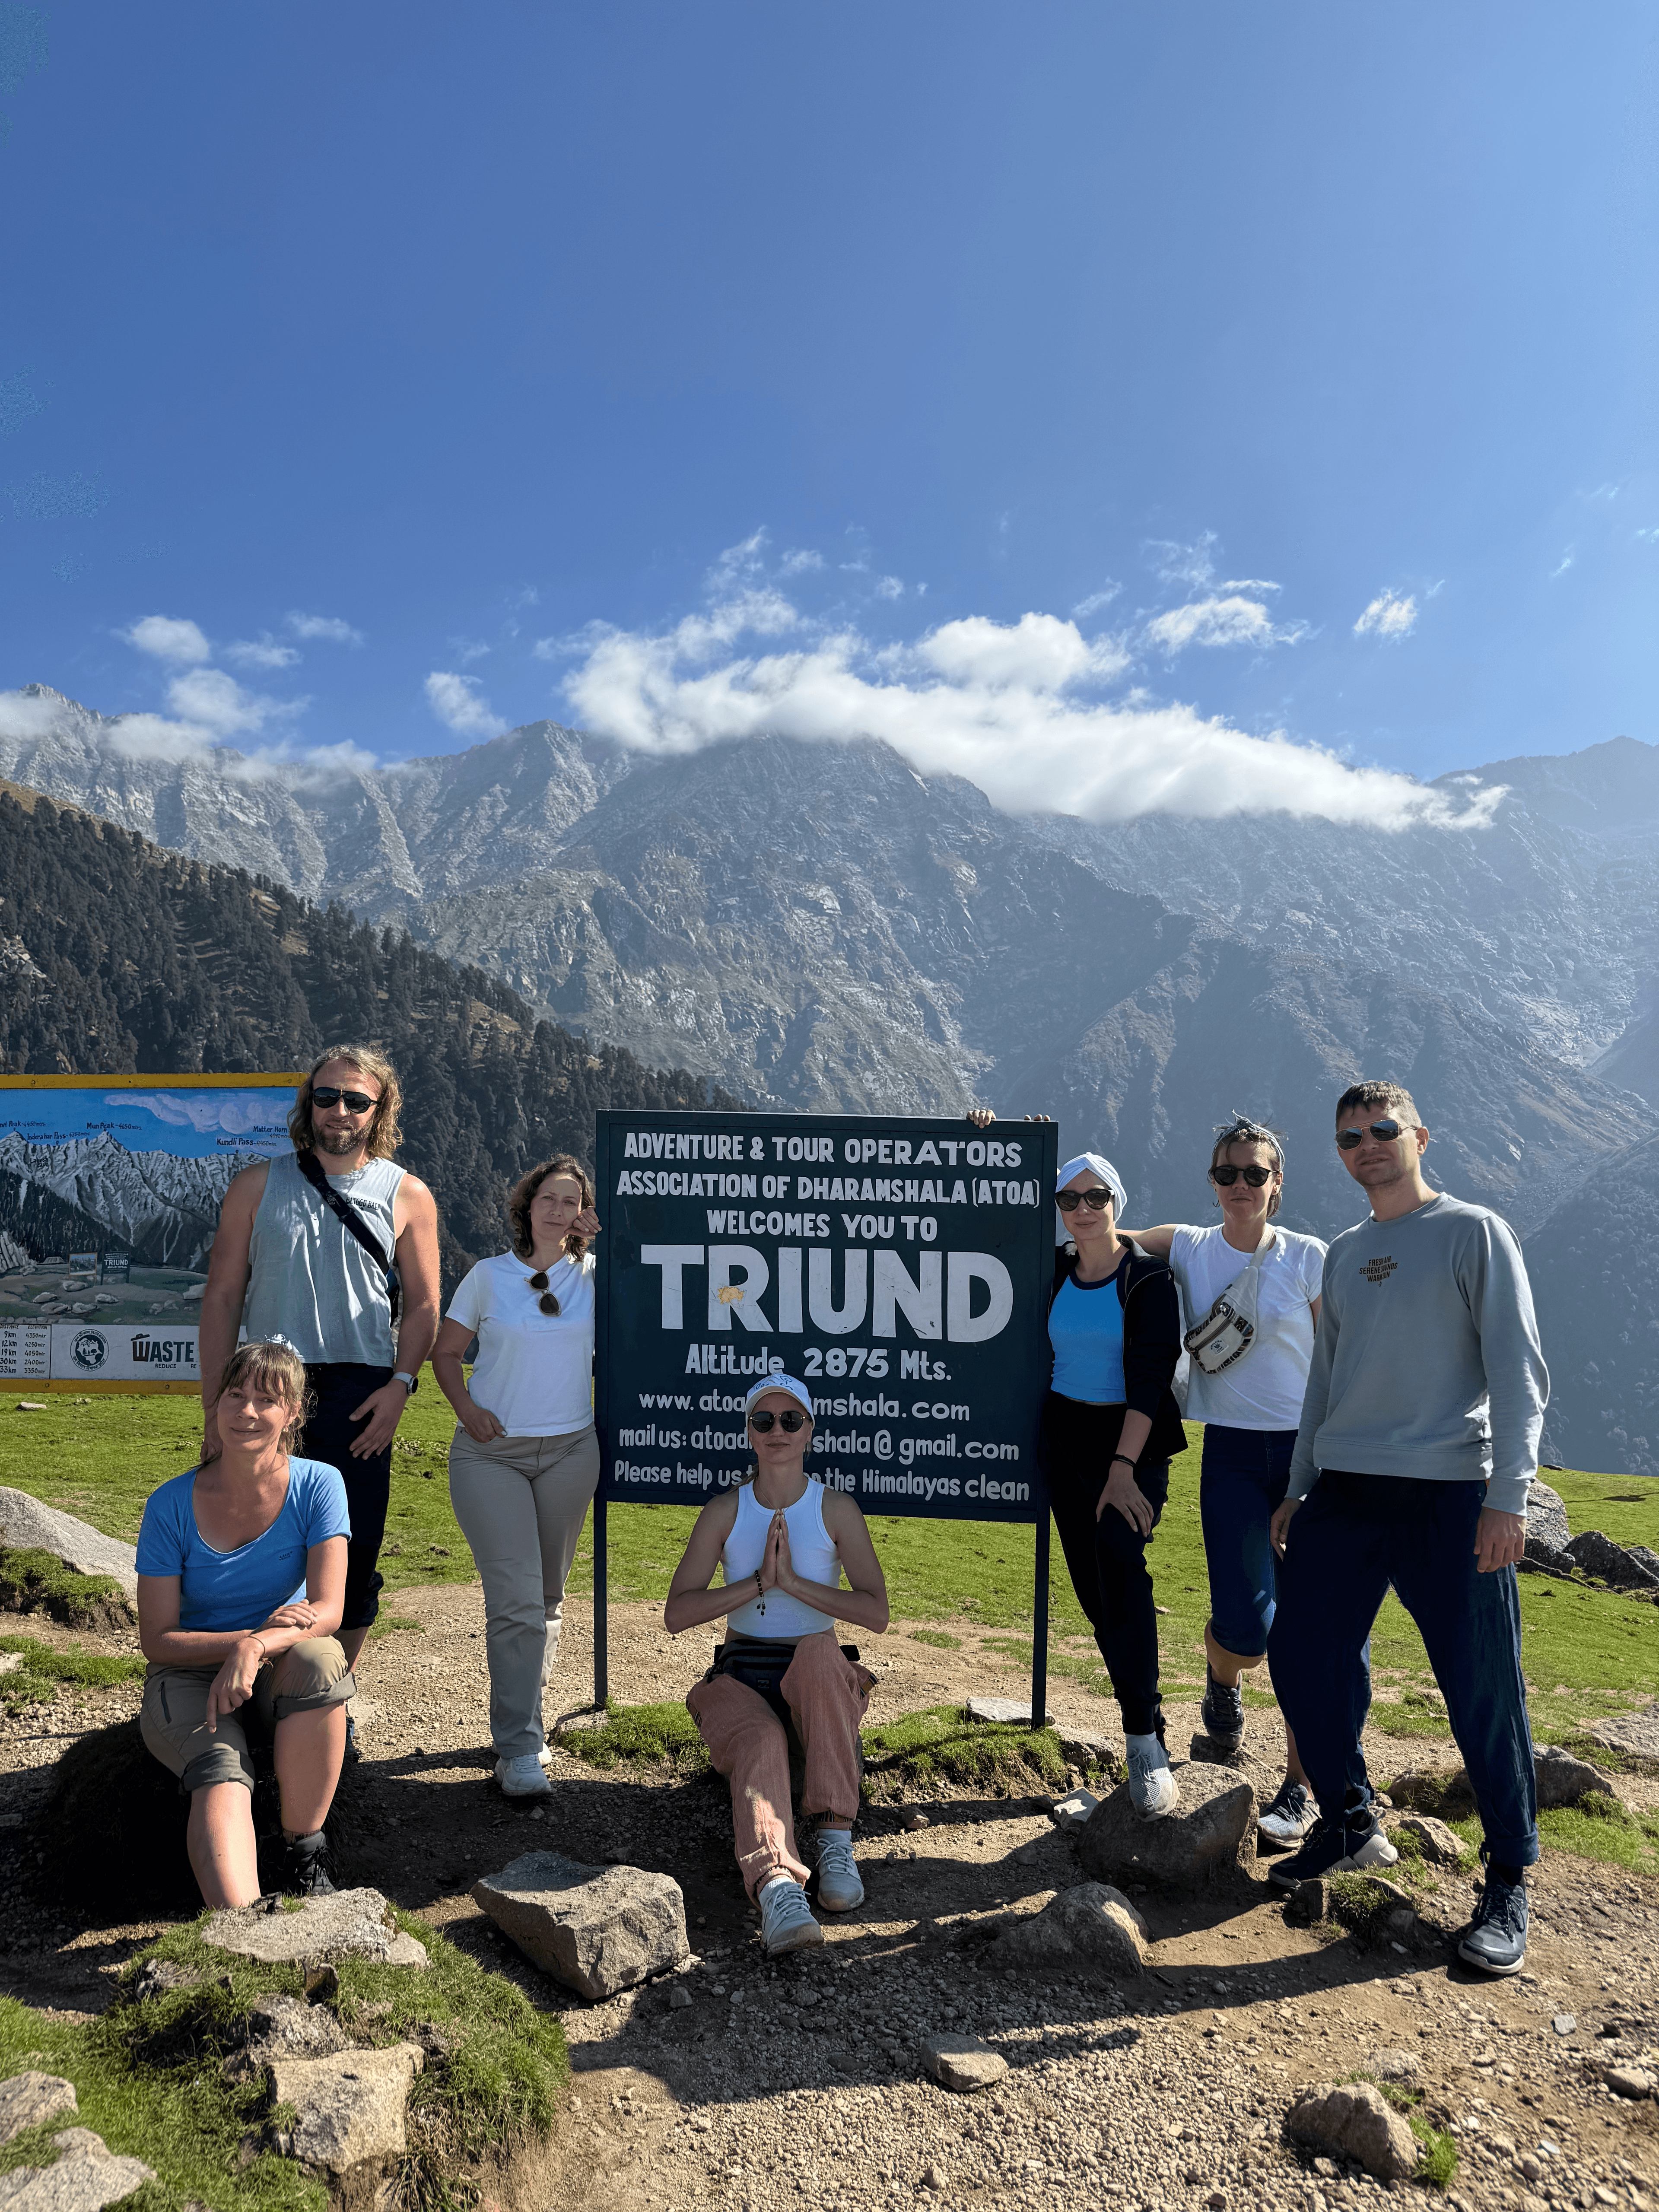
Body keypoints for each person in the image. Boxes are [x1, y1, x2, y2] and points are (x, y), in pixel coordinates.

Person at [1266, 1081, 1548, 1977]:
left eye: (1384, 1130)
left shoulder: (1475, 1231)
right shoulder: (1346, 1252)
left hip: (1451, 1495)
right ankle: (1348, 1819)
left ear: (1420, 1135)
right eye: (1351, 1137)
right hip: (1345, 1490)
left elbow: (1519, 1369)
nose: (1368, 1145)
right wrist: (1298, 1484)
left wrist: (1511, 1495)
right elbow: (1324, 1383)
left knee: (1481, 1686)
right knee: (1301, 1656)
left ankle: (1509, 1876)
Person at [198, 1047, 441, 1742]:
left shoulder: (407, 1193)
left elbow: (424, 1305)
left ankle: (328, 1697)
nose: (339, 1111)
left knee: (353, 1549)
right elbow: (221, 1295)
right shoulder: (256, 1184)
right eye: (326, 1097)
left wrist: (401, 1385)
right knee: (257, 1537)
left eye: (356, 1101)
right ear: (308, 1105)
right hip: (266, 1382)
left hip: (361, 1388)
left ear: (379, 1110)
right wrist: (216, 1402)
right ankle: (247, 1689)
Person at [1120, 1116, 1329, 1846]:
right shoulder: (1188, 1247)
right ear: (1211, 1182)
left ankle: (1302, 1787)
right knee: (1247, 1624)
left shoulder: (1309, 1258)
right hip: (1233, 1455)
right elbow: (1096, 1234)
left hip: (1307, 1458)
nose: (1241, 1186)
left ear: (1278, 1184)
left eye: (1255, 1174)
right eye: (1227, 1174)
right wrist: (1004, 1145)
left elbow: (1338, 1357)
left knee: (1306, 1627)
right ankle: (1223, 1678)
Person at [665, 1375, 890, 1957]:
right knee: (762, 1736)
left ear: (810, 1430)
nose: (778, 1432)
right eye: (763, 1421)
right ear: (749, 1433)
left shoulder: (835, 1508)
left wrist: (794, 1585)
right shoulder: (725, 1510)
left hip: (816, 1675)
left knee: (819, 1654)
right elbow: (677, 1613)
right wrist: (760, 1583)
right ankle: (777, 1886)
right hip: (741, 1673)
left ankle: (835, 1838)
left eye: (791, 1420)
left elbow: (876, 1613)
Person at [136, 1342, 353, 1904]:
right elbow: (156, 1641)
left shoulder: (319, 1484)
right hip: (186, 1676)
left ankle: (303, 1856)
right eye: (235, 1395)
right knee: (222, 1770)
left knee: (321, 1660)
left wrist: (257, 1648)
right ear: (217, 1402)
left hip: (277, 1658)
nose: (248, 1412)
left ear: (295, 1413)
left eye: (267, 1399)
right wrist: (244, 1643)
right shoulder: (170, 1504)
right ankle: (243, 1928)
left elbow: (328, 1611)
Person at [432, 1155, 603, 1799]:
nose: (558, 1210)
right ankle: (521, 1747)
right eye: (548, 1199)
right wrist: (468, 1410)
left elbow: (662, 1289)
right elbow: (447, 1353)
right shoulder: (488, 1278)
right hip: (491, 1456)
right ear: (527, 1207)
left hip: (570, 1451)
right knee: (515, 1599)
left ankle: (522, 1726)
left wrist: (614, 1239)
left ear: (583, 1214)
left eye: (572, 1201)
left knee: (549, 1599)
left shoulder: (595, 1276)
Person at [1043, 1152, 1189, 1817]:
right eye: (1069, 1199)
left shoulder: (1148, 1280)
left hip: (1129, 1445)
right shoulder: (1051, 1269)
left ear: (1116, 1202)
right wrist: (993, 1135)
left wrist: (1123, 1470)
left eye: (1095, 1196)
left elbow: (1152, 1374)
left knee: (1121, 1563)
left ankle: (1143, 1739)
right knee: (1094, 1592)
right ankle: (1144, 1729)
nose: (1081, 1209)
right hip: (1065, 1439)